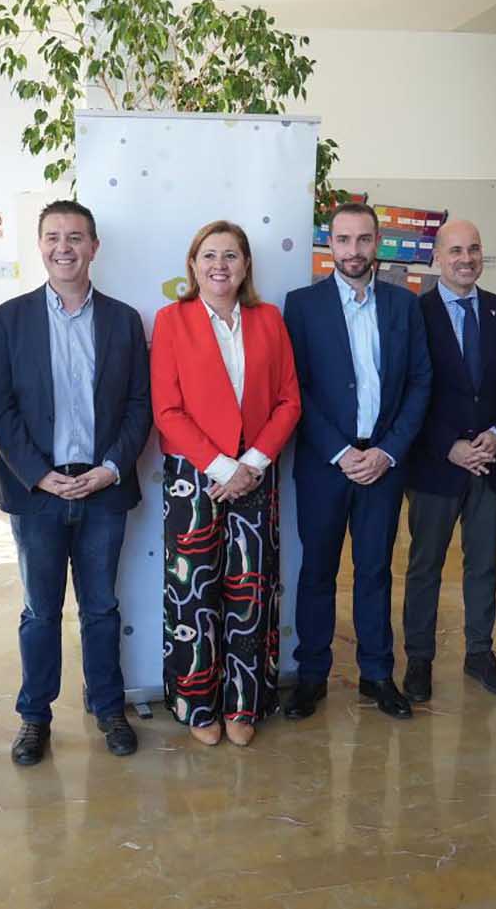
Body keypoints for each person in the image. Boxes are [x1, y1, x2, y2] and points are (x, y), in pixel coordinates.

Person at [0, 200, 151, 765]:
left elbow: (138, 404)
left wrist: (111, 467)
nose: (64, 247)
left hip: (104, 488)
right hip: (37, 494)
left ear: (94, 247)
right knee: (40, 611)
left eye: (76, 237)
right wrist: (38, 474)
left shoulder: (124, 320)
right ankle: (35, 718)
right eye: (53, 236)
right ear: (40, 246)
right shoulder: (8, 319)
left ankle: (108, 709)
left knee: (101, 607)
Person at [151, 220, 301, 746]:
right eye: (209, 255)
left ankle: (244, 706)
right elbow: (166, 411)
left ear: (245, 266)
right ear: (193, 265)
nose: (220, 265)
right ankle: (197, 708)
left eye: (231, 255)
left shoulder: (268, 320)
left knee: (250, 596)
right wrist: (222, 468)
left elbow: (289, 400)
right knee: (194, 595)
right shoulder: (171, 321)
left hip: (256, 472)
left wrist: (252, 463)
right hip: (195, 480)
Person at [282, 202, 432, 721]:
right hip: (326, 465)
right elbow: (294, 389)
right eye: (343, 240)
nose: (353, 250)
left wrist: (387, 452)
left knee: (375, 570)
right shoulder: (300, 306)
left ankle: (376, 674)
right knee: (317, 571)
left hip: (385, 466)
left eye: (363, 239)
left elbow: (420, 383)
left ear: (378, 244)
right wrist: (343, 452)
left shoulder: (403, 305)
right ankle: (311, 676)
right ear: (330, 245)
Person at [401, 219, 496, 702]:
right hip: (437, 464)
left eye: (474, 249)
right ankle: (419, 658)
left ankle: (480, 653)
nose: (466, 258)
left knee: (484, 564)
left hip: (491, 464)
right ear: (436, 257)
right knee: (425, 565)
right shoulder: (415, 314)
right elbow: (410, 390)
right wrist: (449, 444)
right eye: (455, 250)